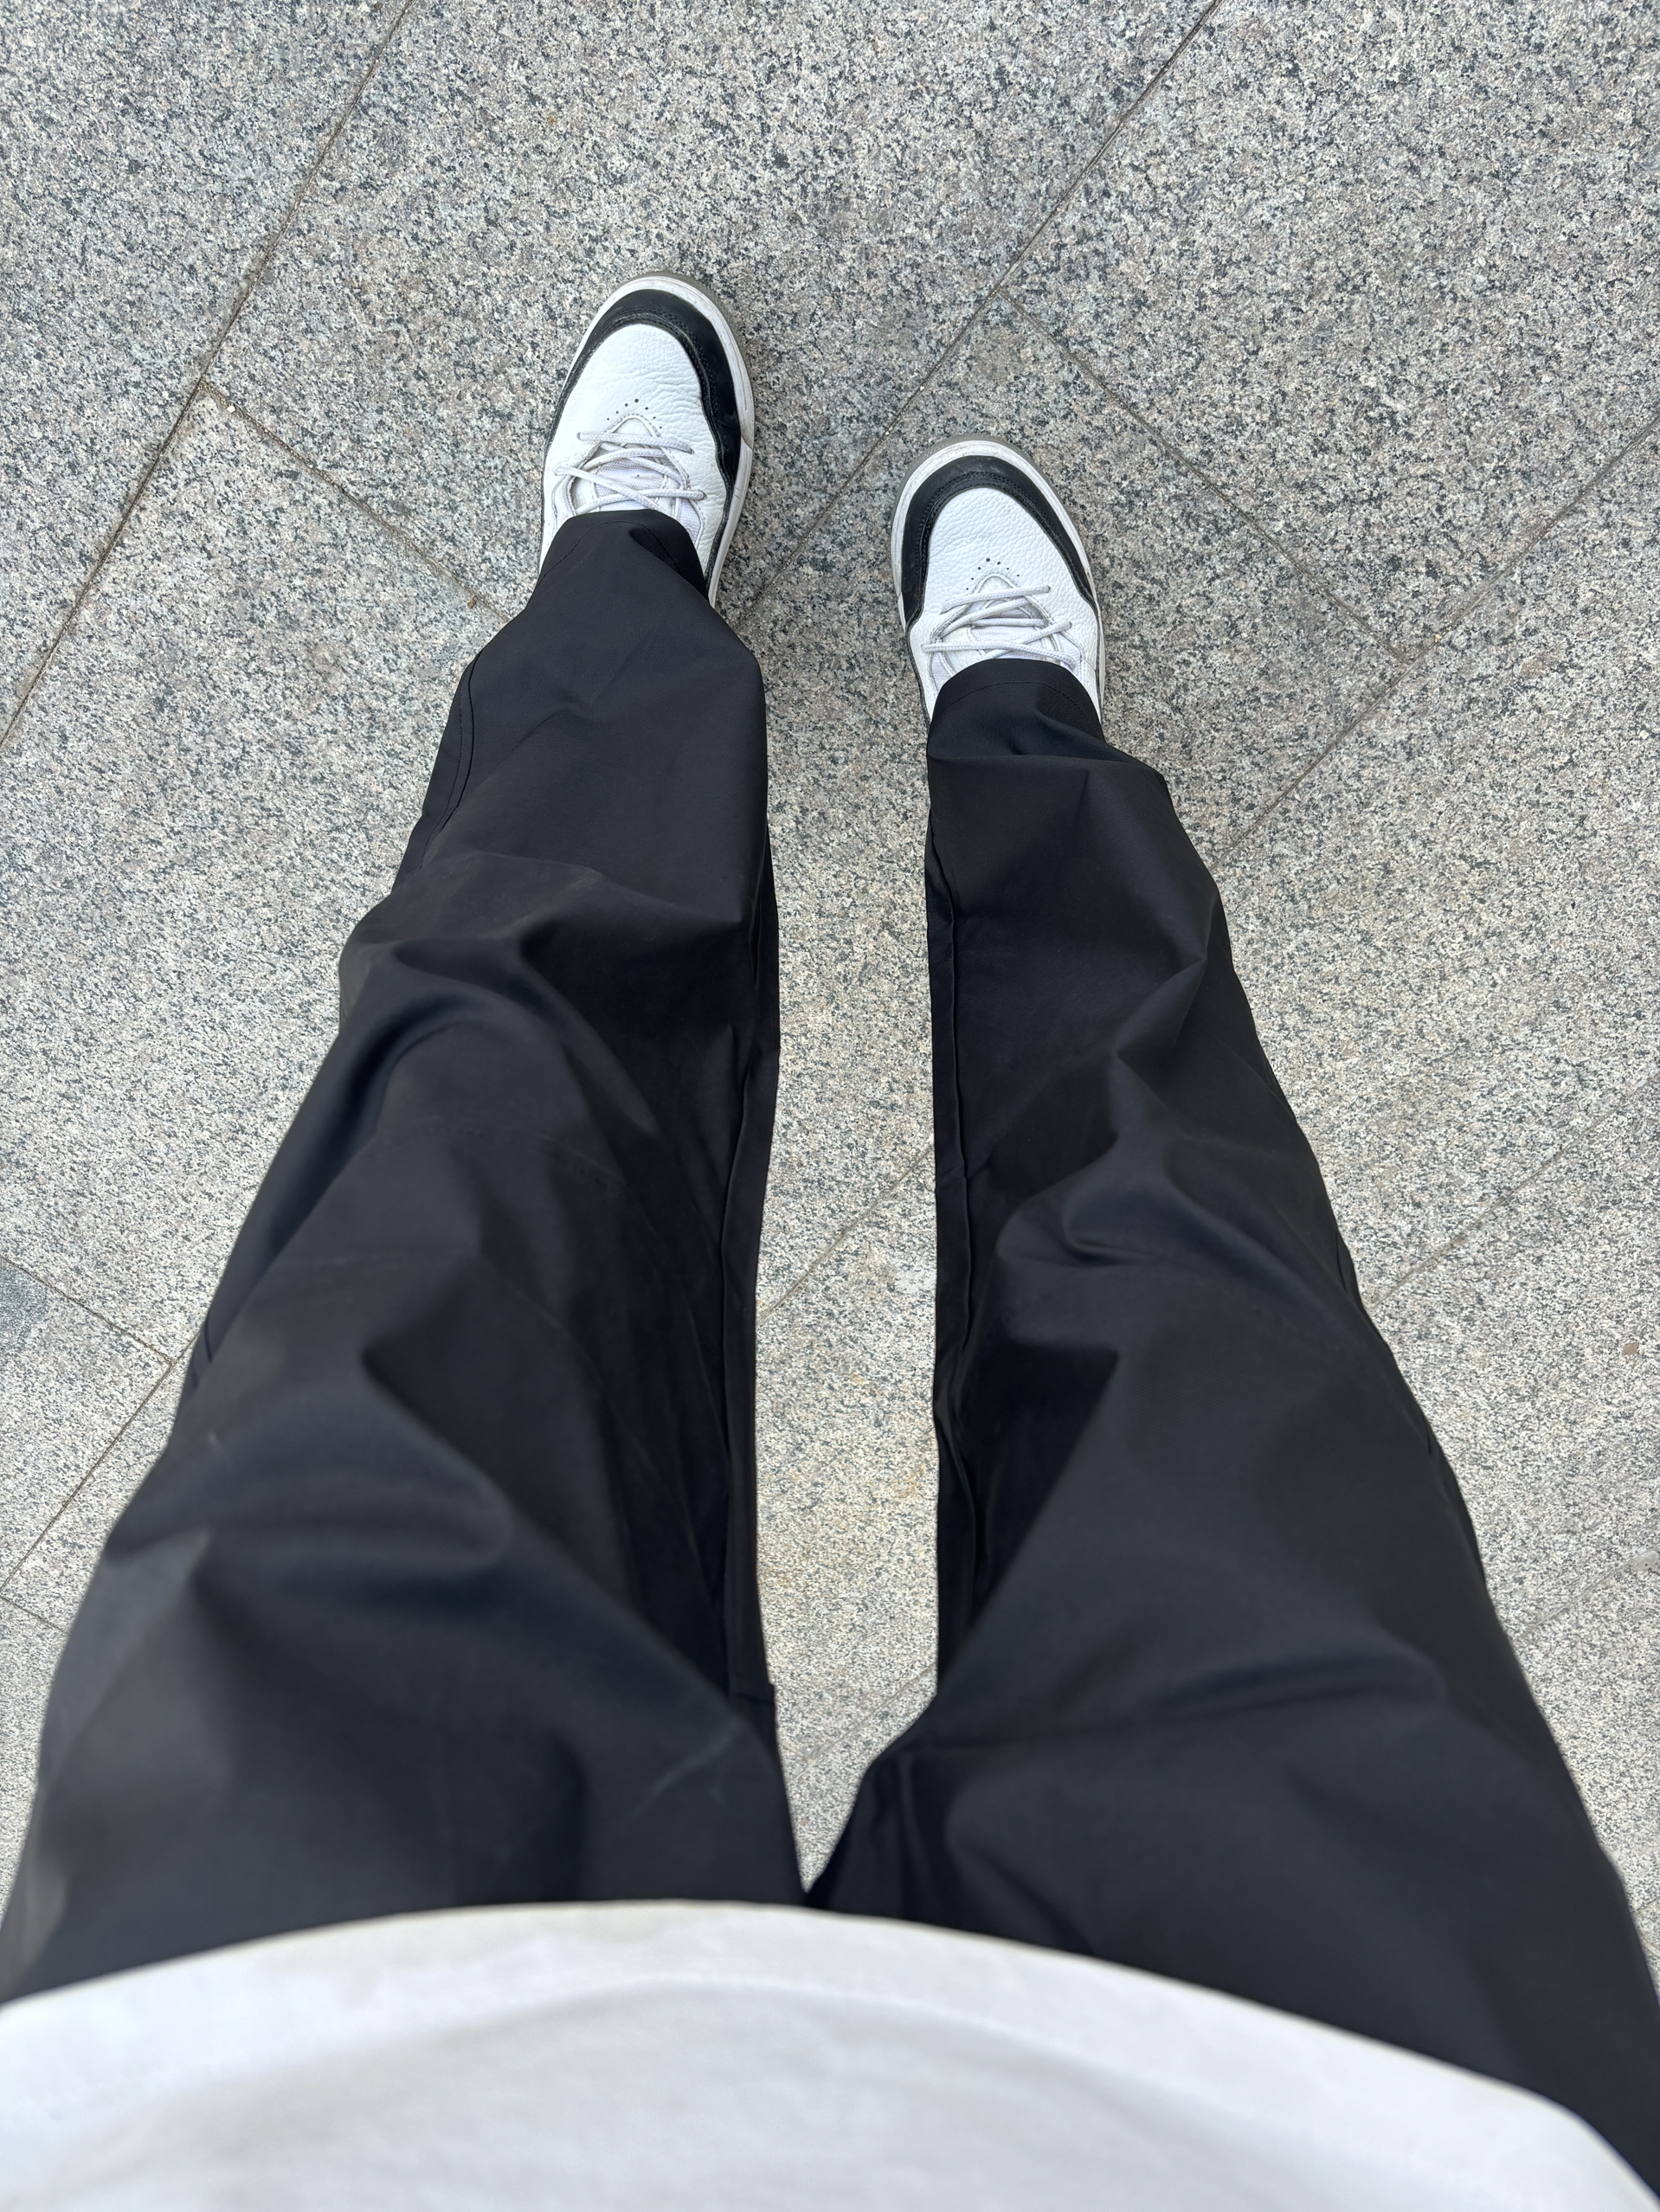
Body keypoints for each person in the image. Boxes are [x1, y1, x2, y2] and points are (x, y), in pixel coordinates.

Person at [1, 273, 1656, 2210]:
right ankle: (1022, 730)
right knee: (1183, 1288)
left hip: (256, 2067)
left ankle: (621, 592)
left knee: (476, 1132)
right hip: (1324, 2112)